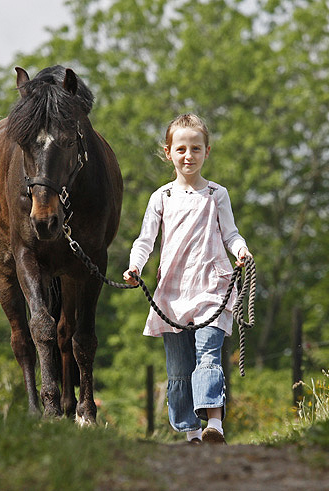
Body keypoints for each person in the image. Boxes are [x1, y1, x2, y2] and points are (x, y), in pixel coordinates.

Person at [123, 113, 252, 445]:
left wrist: (241, 251)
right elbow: (145, 241)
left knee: (209, 356)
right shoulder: (161, 198)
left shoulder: (216, 194)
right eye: (181, 149)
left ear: (207, 152)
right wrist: (135, 267)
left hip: (212, 287)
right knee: (179, 371)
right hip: (173, 293)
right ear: (168, 152)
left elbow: (231, 234)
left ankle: (215, 426)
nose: (188, 155)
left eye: (196, 148)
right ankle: (191, 433)